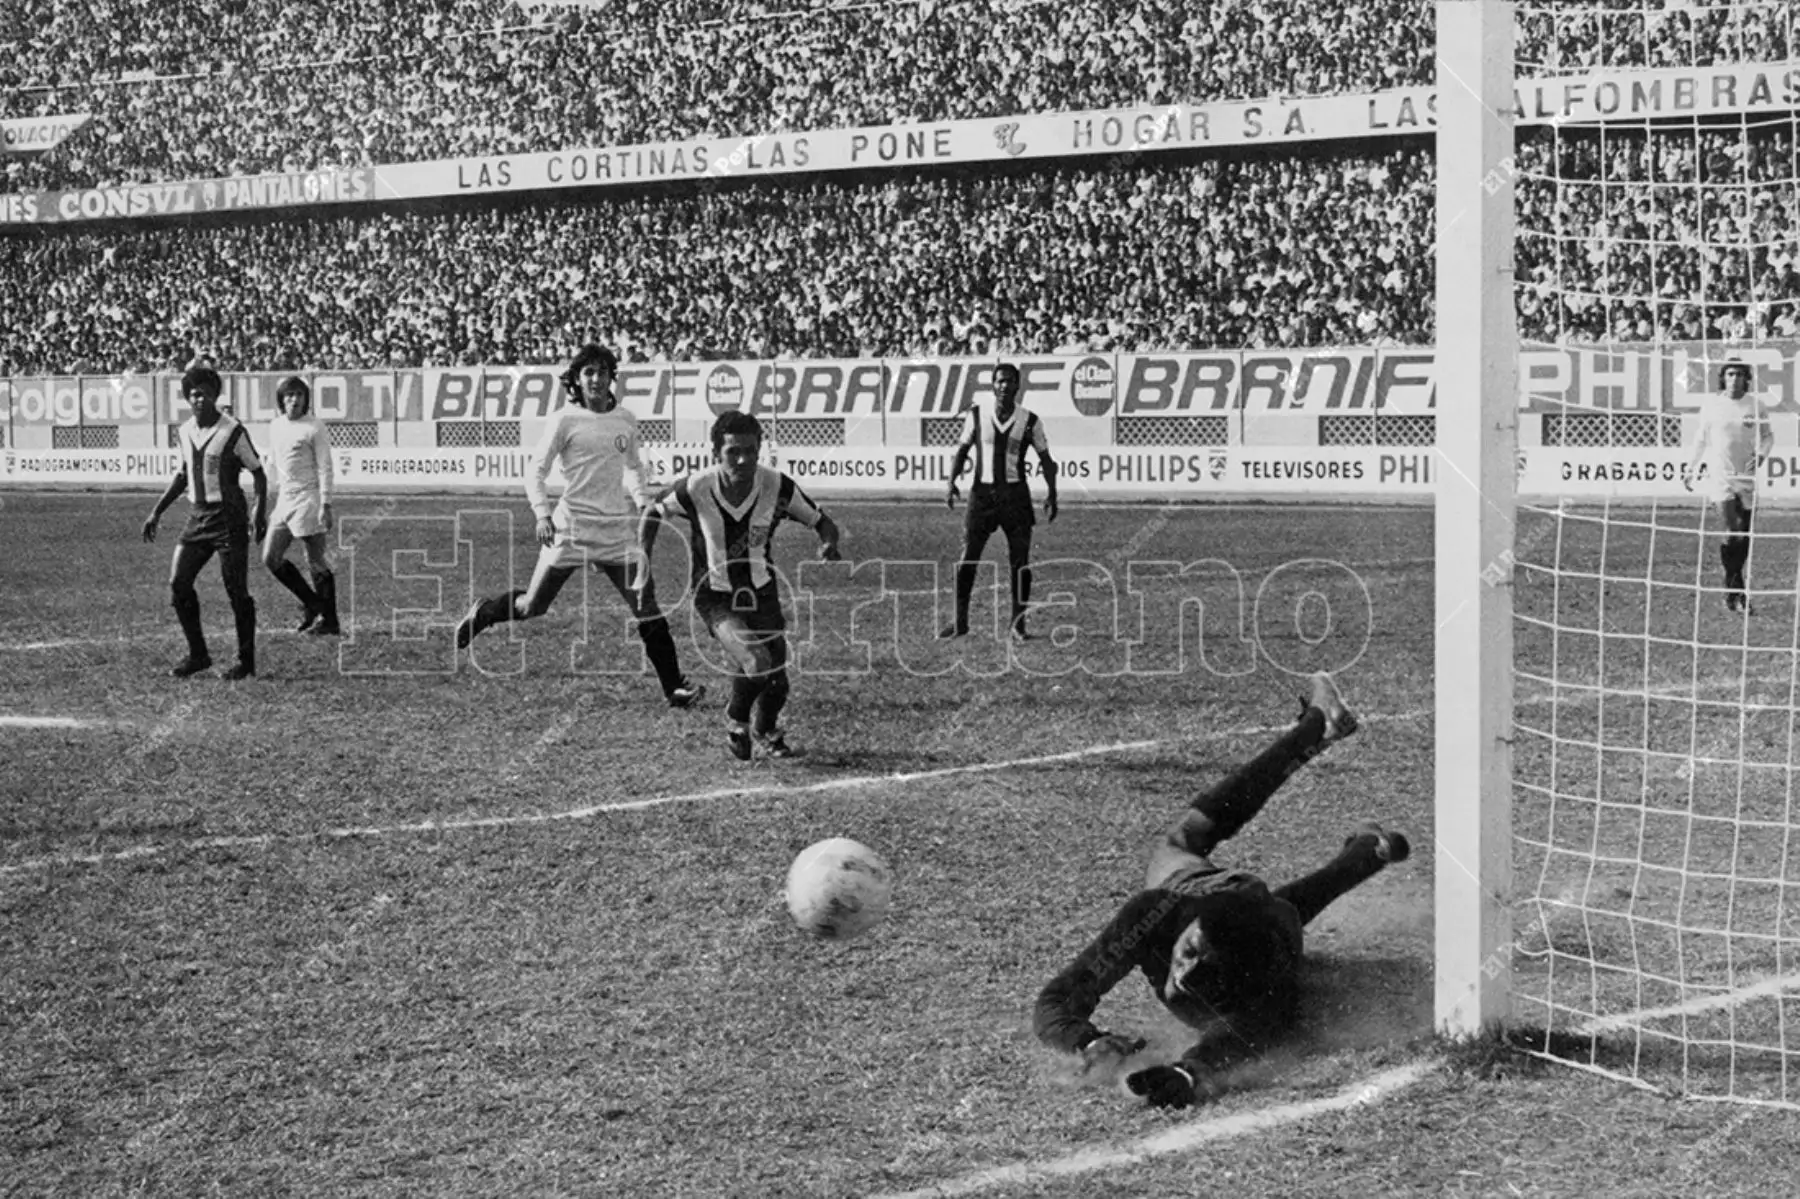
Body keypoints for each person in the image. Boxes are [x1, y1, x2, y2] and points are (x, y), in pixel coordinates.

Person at [1032, 672, 1411, 1109]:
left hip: (1267, 929)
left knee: (1290, 927)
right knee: (1182, 842)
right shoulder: (1155, 915)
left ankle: (1364, 841)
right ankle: (1315, 736)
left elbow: (1241, 1040)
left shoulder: (1267, 984)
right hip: (1219, 896)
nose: (1184, 971)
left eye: (1203, 964)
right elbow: (1058, 1000)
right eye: (1191, 949)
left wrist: (1187, 1073)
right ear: (1192, 923)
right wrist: (1085, 1039)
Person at [454, 344, 704, 708]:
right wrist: (542, 514)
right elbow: (535, 470)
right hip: (570, 529)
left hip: (615, 531)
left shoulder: (625, 419)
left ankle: (675, 687)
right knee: (532, 607)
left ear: (611, 377)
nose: (596, 379)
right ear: (576, 379)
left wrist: (642, 500)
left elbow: (634, 466)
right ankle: (485, 612)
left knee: (646, 603)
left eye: (602, 372)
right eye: (589, 372)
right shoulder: (564, 420)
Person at [636, 410, 843, 761]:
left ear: (760, 449)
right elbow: (652, 513)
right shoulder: (696, 488)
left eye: (750, 450)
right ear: (716, 453)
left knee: (776, 683)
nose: (743, 459)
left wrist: (828, 544)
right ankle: (736, 720)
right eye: (733, 452)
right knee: (755, 659)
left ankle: (765, 730)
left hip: (762, 593)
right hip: (715, 595)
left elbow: (823, 522)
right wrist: (643, 567)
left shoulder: (777, 486)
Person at [141, 365, 268, 679]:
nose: (200, 399)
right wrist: (157, 511)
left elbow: (258, 473)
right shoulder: (184, 431)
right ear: (188, 398)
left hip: (229, 519)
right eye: (195, 394)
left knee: (236, 590)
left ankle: (246, 662)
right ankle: (198, 655)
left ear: (215, 396)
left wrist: (259, 509)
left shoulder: (232, 431)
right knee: (178, 583)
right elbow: (184, 474)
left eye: (206, 394)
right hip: (197, 517)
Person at [940, 362, 1058, 641]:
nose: (1004, 386)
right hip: (981, 496)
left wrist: (1052, 493)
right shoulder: (976, 415)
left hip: (1015, 497)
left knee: (1020, 562)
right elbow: (962, 450)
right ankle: (960, 622)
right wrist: (951, 482)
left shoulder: (1030, 420)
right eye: (999, 381)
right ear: (992, 386)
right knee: (967, 559)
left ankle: (1018, 624)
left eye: (1009, 381)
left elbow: (1046, 459)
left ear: (1018, 386)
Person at [1684, 358, 1773, 614]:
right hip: (1719, 477)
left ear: (1747, 379)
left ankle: (1731, 588)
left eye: (1739, 374)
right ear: (1723, 378)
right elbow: (1700, 438)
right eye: (1730, 374)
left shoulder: (1756, 405)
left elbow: (1768, 435)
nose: (1734, 379)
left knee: (1743, 536)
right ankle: (1738, 592)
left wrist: (1761, 455)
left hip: (1745, 477)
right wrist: (1690, 467)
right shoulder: (1712, 405)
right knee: (1732, 531)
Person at [261, 376, 340, 635]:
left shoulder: (314, 427)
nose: (294, 399)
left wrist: (325, 503)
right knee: (270, 557)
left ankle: (330, 621)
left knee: (315, 560)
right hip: (285, 499)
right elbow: (273, 463)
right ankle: (313, 604)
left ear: (306, 399)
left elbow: (325, 466)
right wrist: (264, 499)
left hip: (308, 498)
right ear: (281, 399)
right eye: (289, 395)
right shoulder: (276, 426)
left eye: (299, 395)